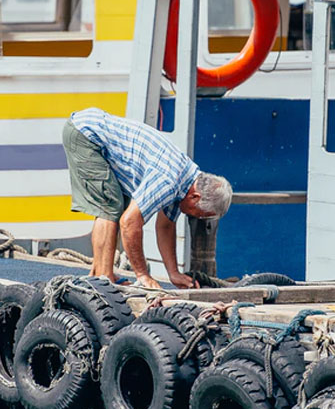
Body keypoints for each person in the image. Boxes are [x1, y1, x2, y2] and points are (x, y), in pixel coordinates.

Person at [62, 107, 232, 289]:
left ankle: (100, 273)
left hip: (93, 132)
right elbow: (129, 223)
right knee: (110, 206)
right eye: (198, 213)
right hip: (86, 133)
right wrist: (143, 275)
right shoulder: (169, 180)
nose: (194, 217)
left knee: (116, 205)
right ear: (195, 197)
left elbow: (165, 226)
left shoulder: (186, 185)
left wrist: (173, 273)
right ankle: (103, 279)